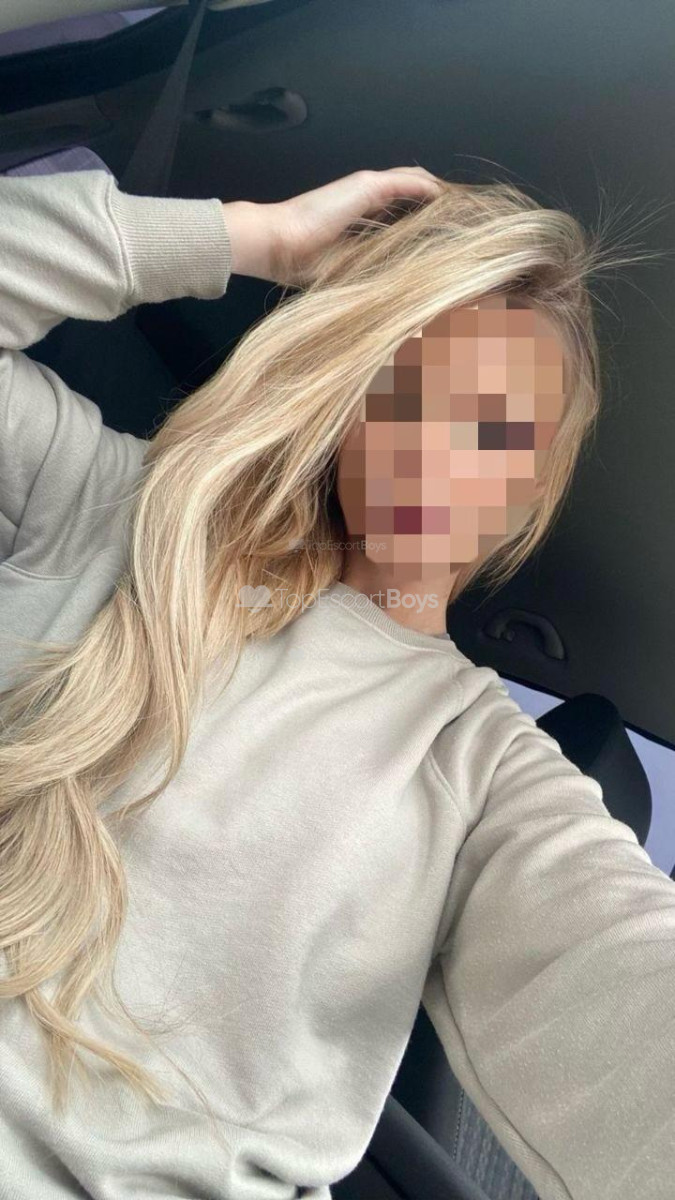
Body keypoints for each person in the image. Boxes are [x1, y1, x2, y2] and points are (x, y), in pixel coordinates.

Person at [0, 163, 673, 1200]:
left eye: (493, 431)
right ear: (350, 397)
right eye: (412, 392)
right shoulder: (112, 508)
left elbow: (622, 982)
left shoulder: (483, 768)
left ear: (530, 486)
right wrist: (253, 237)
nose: (439, 451)